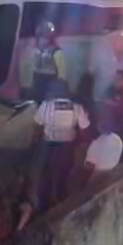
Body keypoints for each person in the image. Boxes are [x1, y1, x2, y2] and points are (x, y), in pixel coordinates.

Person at [30, 79, 90, 209]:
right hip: (67, 146)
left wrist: (34, 142)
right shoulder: (77, 107)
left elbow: (38, 127)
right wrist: (80, 144)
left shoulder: (46, 105)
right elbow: (84, 129)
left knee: (41, 171)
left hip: (47, 143)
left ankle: (39, 200)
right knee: (64, 173)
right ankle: (61, 199)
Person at [91, 32, 123, 102]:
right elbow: (92, 71)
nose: (122, 45)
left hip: (121, 96)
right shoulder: (103, 58)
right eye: (117, 42)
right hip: (102, 96)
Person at [29, 22, 66, 101]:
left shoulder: (56, 51)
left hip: (50, 85)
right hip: (37, 83)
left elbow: (61, 74)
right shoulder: (36, 51)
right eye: (41, 37)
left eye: (45, 37)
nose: (42, 40)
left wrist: (58, 88)